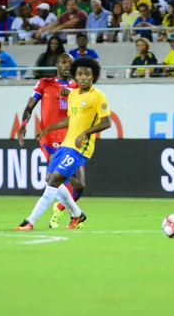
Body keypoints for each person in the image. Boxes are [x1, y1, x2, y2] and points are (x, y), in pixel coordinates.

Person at [16, 57, 112, 230]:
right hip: (64, 144)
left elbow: (107, 123)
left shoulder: (98, 96)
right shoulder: (73, 94)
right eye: (80, 74)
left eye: (87, 74)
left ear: (93, 77)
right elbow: (70, 118)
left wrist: (85, 133)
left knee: (58, 182)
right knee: (50, 179)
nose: (83, 77)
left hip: (79, 147)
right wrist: (46, 129)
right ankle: (76, 215)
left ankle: (30, 221)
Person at [17, 53, 83, 228]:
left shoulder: (78, 88)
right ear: (57, 65)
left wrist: (71, 94)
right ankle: (32, 221)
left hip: (70, 137)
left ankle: (74, 213)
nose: (67, 65)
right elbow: (29, 106)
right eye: (63, 62)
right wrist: (24, 124)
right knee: (53, 177)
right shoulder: (45, 83)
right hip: (49, 137)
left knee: (79, 185)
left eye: (70, 63)